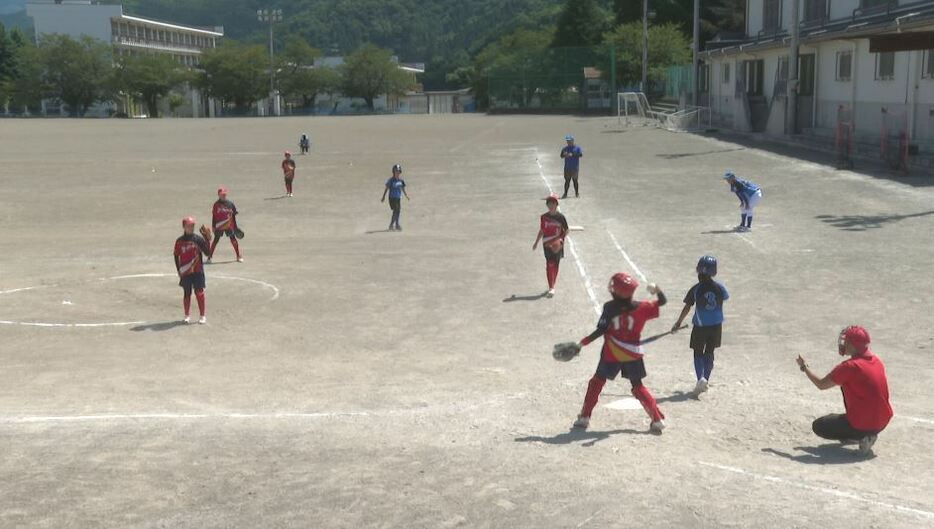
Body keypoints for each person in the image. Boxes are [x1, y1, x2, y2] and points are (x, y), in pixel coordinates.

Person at [573, 273, 668, 433]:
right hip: (633, 354)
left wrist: (582, 343)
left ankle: (584, 417)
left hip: (612, 353)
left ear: (615, 291)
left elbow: (600, 330)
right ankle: (657, 419)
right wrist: (657, 290)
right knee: (638, 386)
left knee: (596, 382)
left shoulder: (609, 308)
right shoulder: (643, 307)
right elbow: (662, 302)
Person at [796, 326, 893, 456]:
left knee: (819, 426)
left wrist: (804, 367)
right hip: (882, 422)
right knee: (837, 414)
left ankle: (862, 437)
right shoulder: (877, 361)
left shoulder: (850, 366)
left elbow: (821, 384)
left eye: (846, 341)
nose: (843, 344)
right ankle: (866, 435)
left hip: (863, 424)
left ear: (853, 345)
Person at [671, 255, 729, 396]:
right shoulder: (720, 288)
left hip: (700, 326)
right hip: (716, 326)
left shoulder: (696, 289)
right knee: (710, 352)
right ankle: (706, 380)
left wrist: (678, 323)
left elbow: (687, 307)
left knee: (698, 352)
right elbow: (725, 298)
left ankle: (700, 379)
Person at [174, 217, 211, 324]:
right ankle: (187, 315)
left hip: (197, 270)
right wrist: (178, 270)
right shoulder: (179, 241)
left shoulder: (198, 239)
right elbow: (176, 255)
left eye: (192, 226)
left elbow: (208, 253)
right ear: (184, 227)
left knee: (199, 292)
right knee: (187, 293)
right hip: (185, 271)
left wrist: (207, 241)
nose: (191, 228)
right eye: (189, 226)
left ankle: (202, 315)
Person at [532, 194, 568, 298]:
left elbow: (566, 230)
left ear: (556, 204)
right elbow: (542, 230)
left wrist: (561, 239)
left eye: (553, 203)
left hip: (557, 243)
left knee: (555, 264)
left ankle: (553, 284)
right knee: (549, 264)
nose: (551, 205)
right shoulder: (544, 217)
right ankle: (551, 287)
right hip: (547, 243)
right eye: (549, 203)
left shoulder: (561, 217)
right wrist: (536, 242)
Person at [208, 187, 242, 263]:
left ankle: (238, 256)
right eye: (222, 194)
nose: (223, 195)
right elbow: (214, 216)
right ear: (218, 195)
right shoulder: (216, 205)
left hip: (229, 225)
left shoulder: (230, 204)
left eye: (224, 194)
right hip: (219, 225)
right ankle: (209, 257)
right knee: (216, 240)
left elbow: (233, 216)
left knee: (233, 239)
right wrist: (213, 226)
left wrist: (235, 227)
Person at [380, 164, 409, 231]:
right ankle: (396, 224)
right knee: (396, 210)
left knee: (397, 211)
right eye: (396, 171)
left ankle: (393, 225)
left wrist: (406, 195)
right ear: (393, 172)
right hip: (392, 198)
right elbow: (386, 188)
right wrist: (383, 197)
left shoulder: (401, 181)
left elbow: (403, 188)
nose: (397, 173)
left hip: (398, 198)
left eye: (398, 171)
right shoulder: (391, 180)